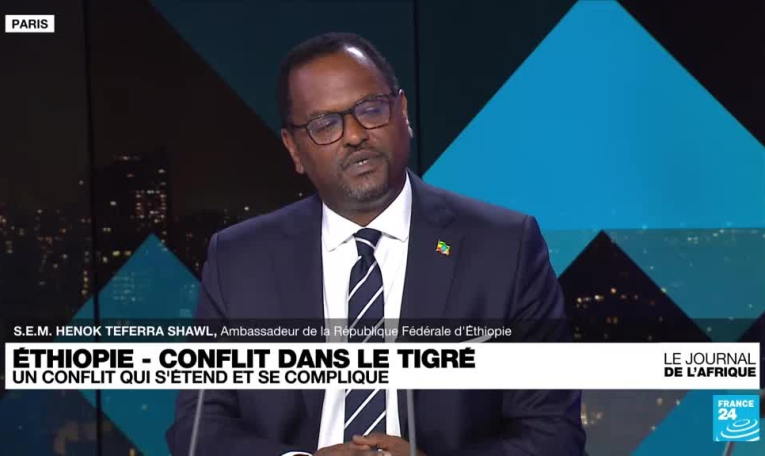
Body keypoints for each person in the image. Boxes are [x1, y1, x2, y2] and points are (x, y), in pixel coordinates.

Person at [166, 32, 585, 456]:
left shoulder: (505, 248)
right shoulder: (239, 260)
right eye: (324, 124)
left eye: (370, 110)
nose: (354, 135)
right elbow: (197, 429)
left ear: (402, 113)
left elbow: (554, 433)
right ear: (294, 149)